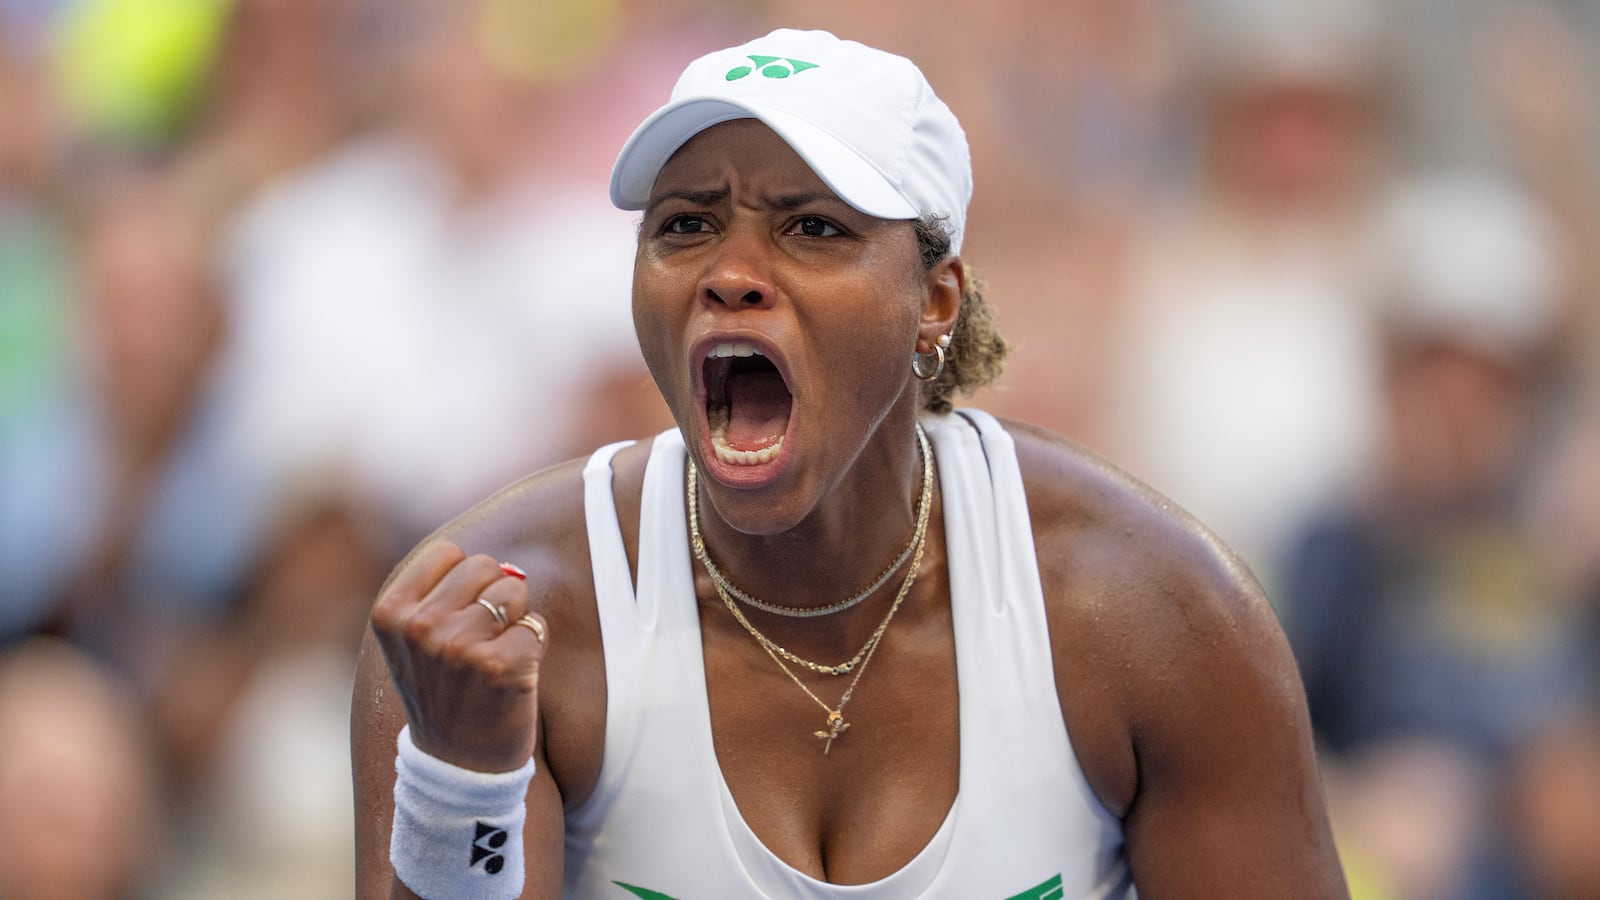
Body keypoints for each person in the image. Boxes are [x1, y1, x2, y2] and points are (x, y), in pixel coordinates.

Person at [352, 29, 1347, 899]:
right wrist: (462, 789)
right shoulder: (500, 622)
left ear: (936, 301)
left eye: (812, 227)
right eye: (686, 224)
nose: (730, 276)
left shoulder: (1148, 613)